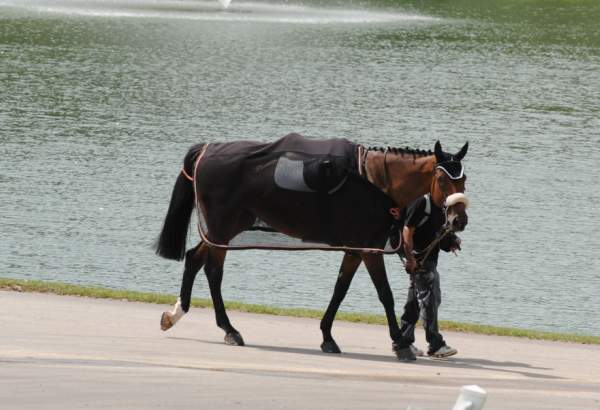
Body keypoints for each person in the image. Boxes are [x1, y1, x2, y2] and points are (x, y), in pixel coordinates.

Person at [399, 193, 461, 358]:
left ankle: (404, 340)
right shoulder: (421, 202)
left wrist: (451, 242)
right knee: (430, 300)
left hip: (428, 261)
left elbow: (438, 237)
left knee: (415, 301)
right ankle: (435, 344)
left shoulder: (440, 208)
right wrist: (410, 258)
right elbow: (407, 230)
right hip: (419, 261)